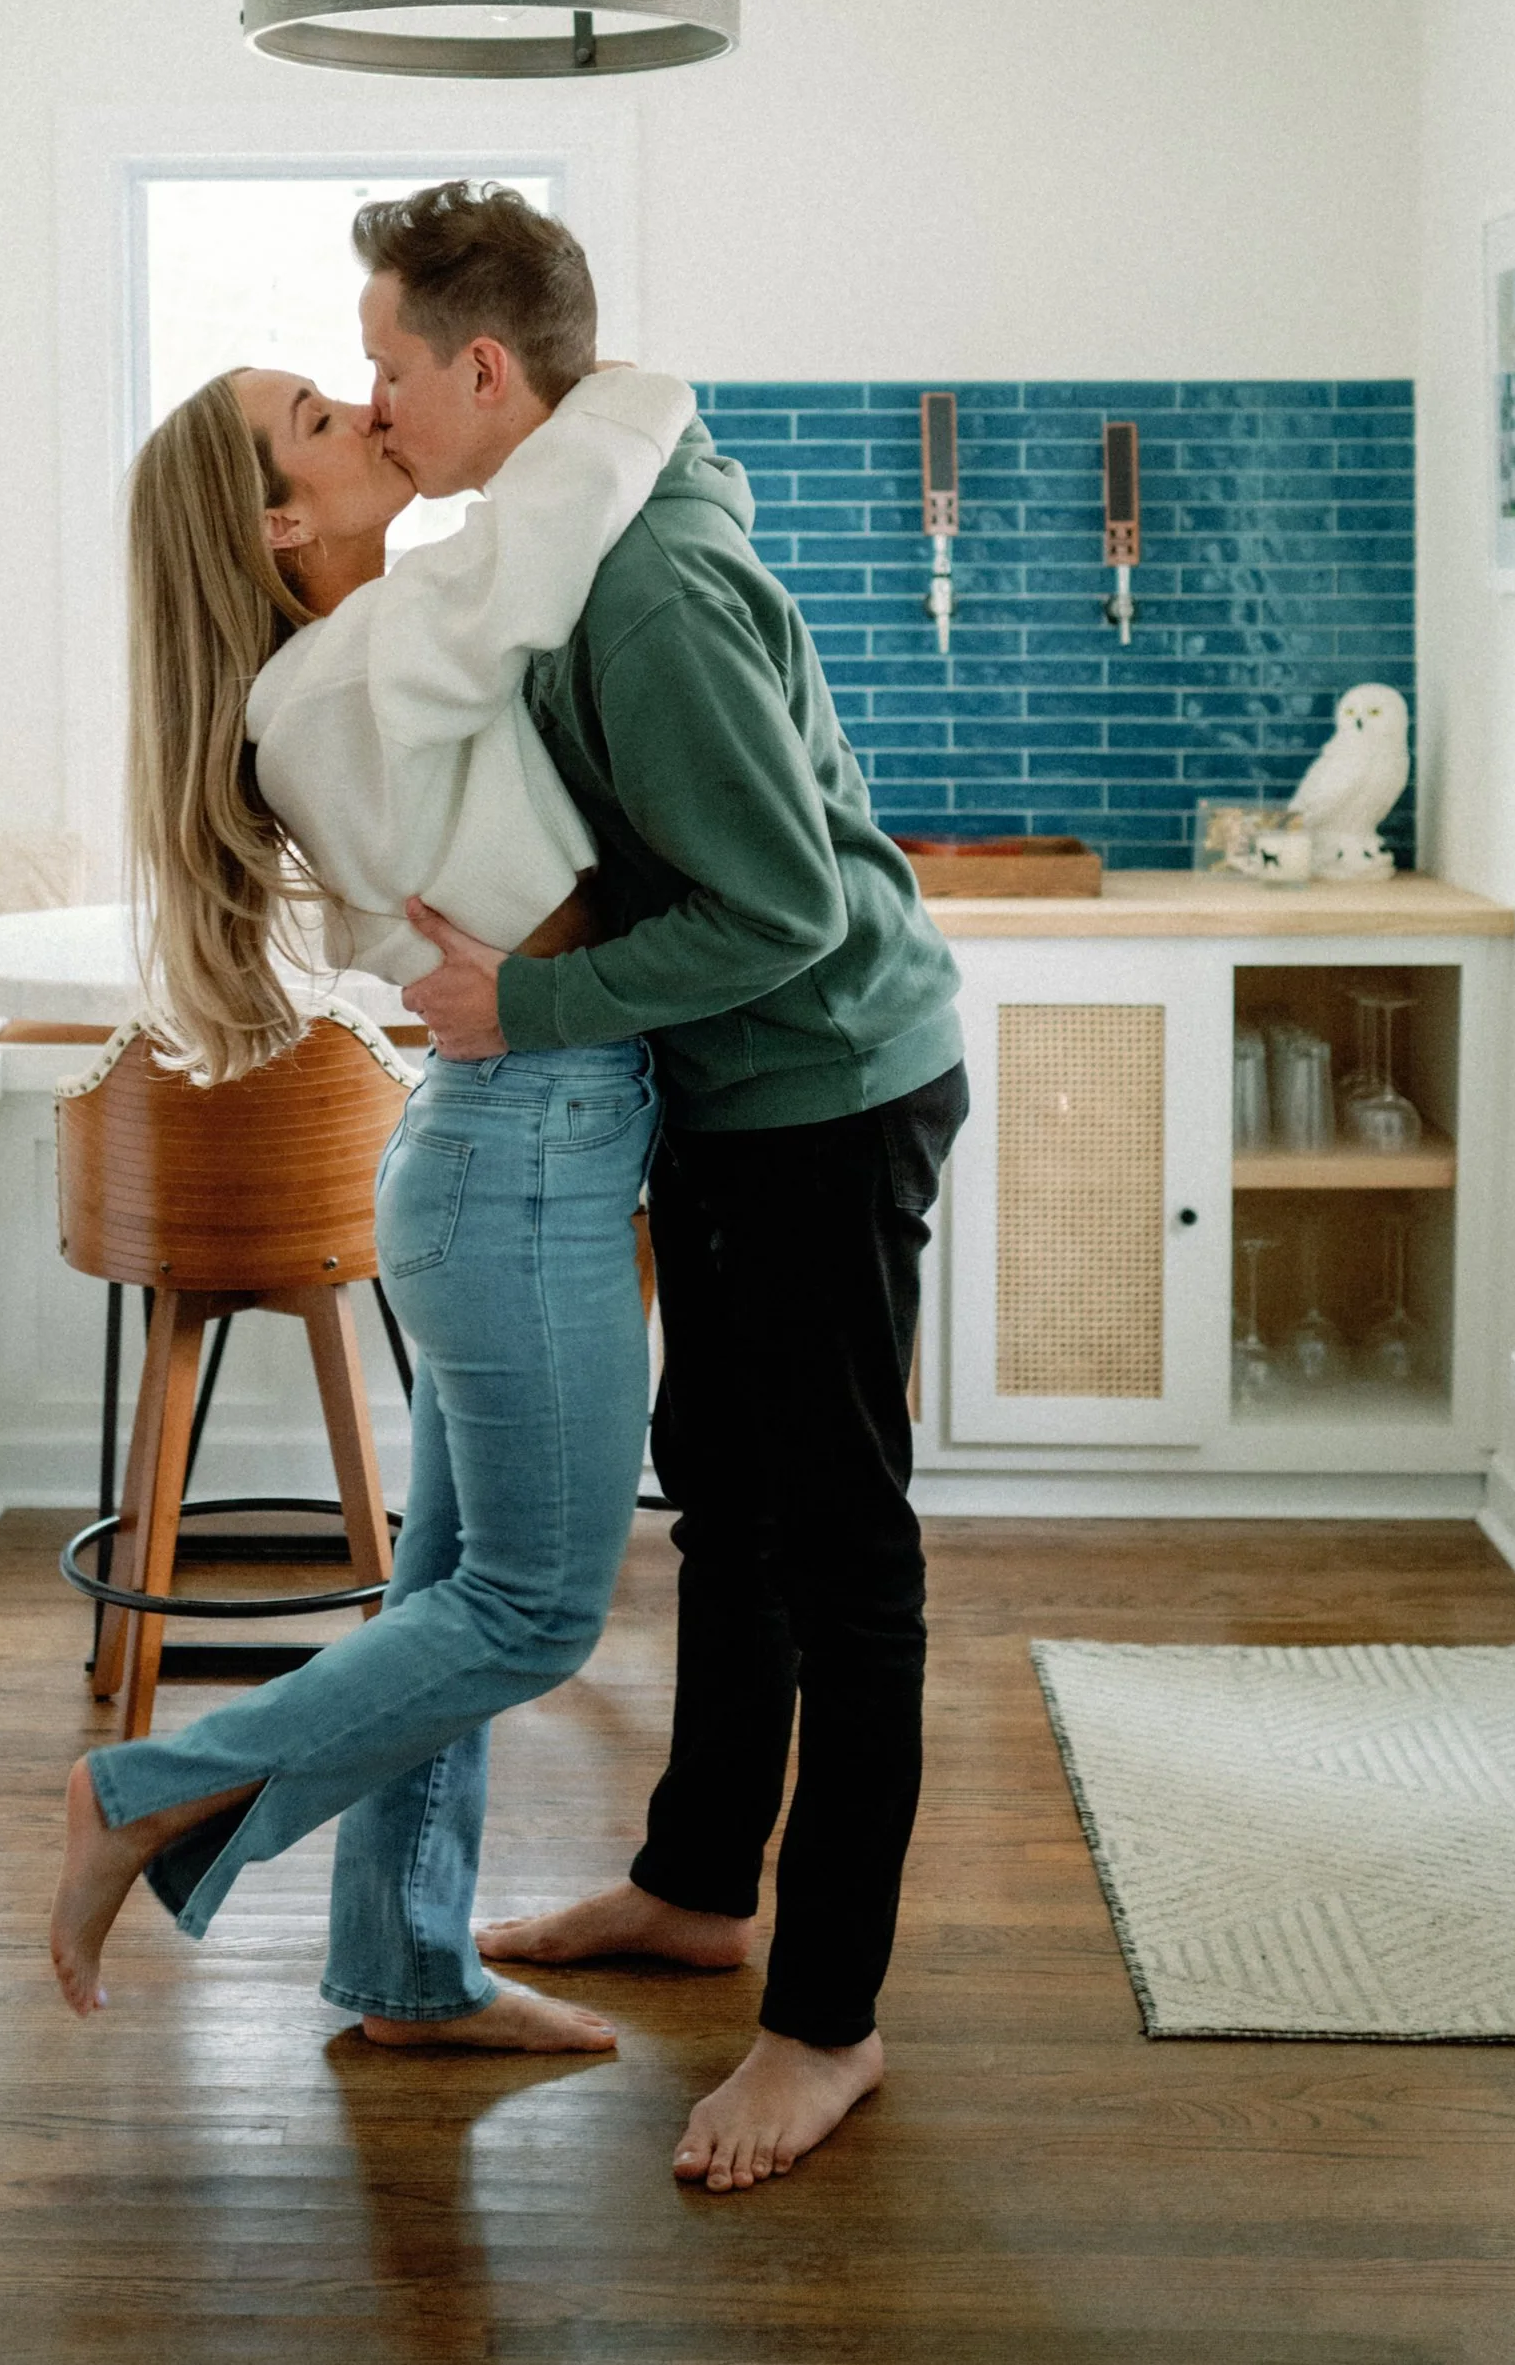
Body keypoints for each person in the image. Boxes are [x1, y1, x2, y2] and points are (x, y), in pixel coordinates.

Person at [364, 182, 969, 2194]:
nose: (372, 408)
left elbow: (787, 909)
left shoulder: (639, 585)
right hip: (734, 1092)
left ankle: (828, 2022)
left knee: (840, 1554)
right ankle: (700, 1884)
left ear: (483, 368)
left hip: (820, 1084)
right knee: (723, 1486)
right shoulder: (567, 528)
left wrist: (525, 1002)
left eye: (384, 370)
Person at [46, 268, 698, 2056]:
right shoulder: (343, 676)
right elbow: (552, 528)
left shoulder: (350, 662)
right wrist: (606, 380)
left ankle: (406, 1971)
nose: (366, 412)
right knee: (532, 1612)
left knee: (451, 1598)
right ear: (276, 518)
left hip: (519, 1144)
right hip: (523, 1163)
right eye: (324, 420)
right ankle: (151, 1787)